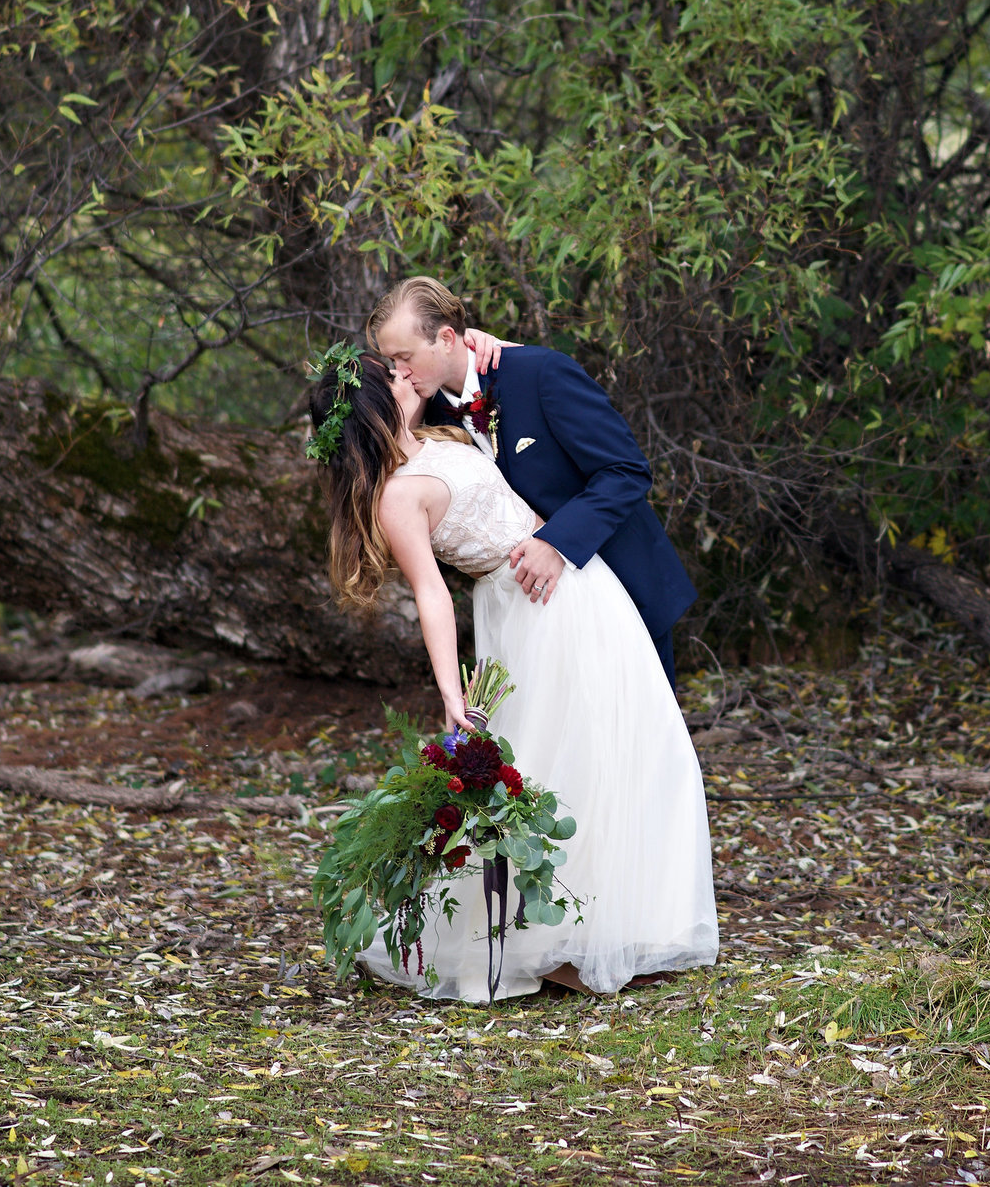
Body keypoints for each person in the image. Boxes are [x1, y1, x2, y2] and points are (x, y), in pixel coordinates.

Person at [303, 343, 717, 1002]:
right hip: (528, 609)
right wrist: (450, 690)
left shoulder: (437, 426)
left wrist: (487, 339)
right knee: (570, 760)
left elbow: (462, 360)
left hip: (576, 586)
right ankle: (552, 944)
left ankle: (625, 925)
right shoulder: (396, 496)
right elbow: (432, 595)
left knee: (634, 744)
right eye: (391, 375)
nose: (405, 372)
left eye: (402, 363)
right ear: (374, 409)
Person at [366, 276, 696, 684]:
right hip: (535, 619)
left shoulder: (538, 373)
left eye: (405, 356)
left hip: (623, 583)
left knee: (640, 738)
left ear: (447, 338)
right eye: (391, 361)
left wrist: (556, 542)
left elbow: (625, 470)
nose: (399, 371)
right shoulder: (428, 419)